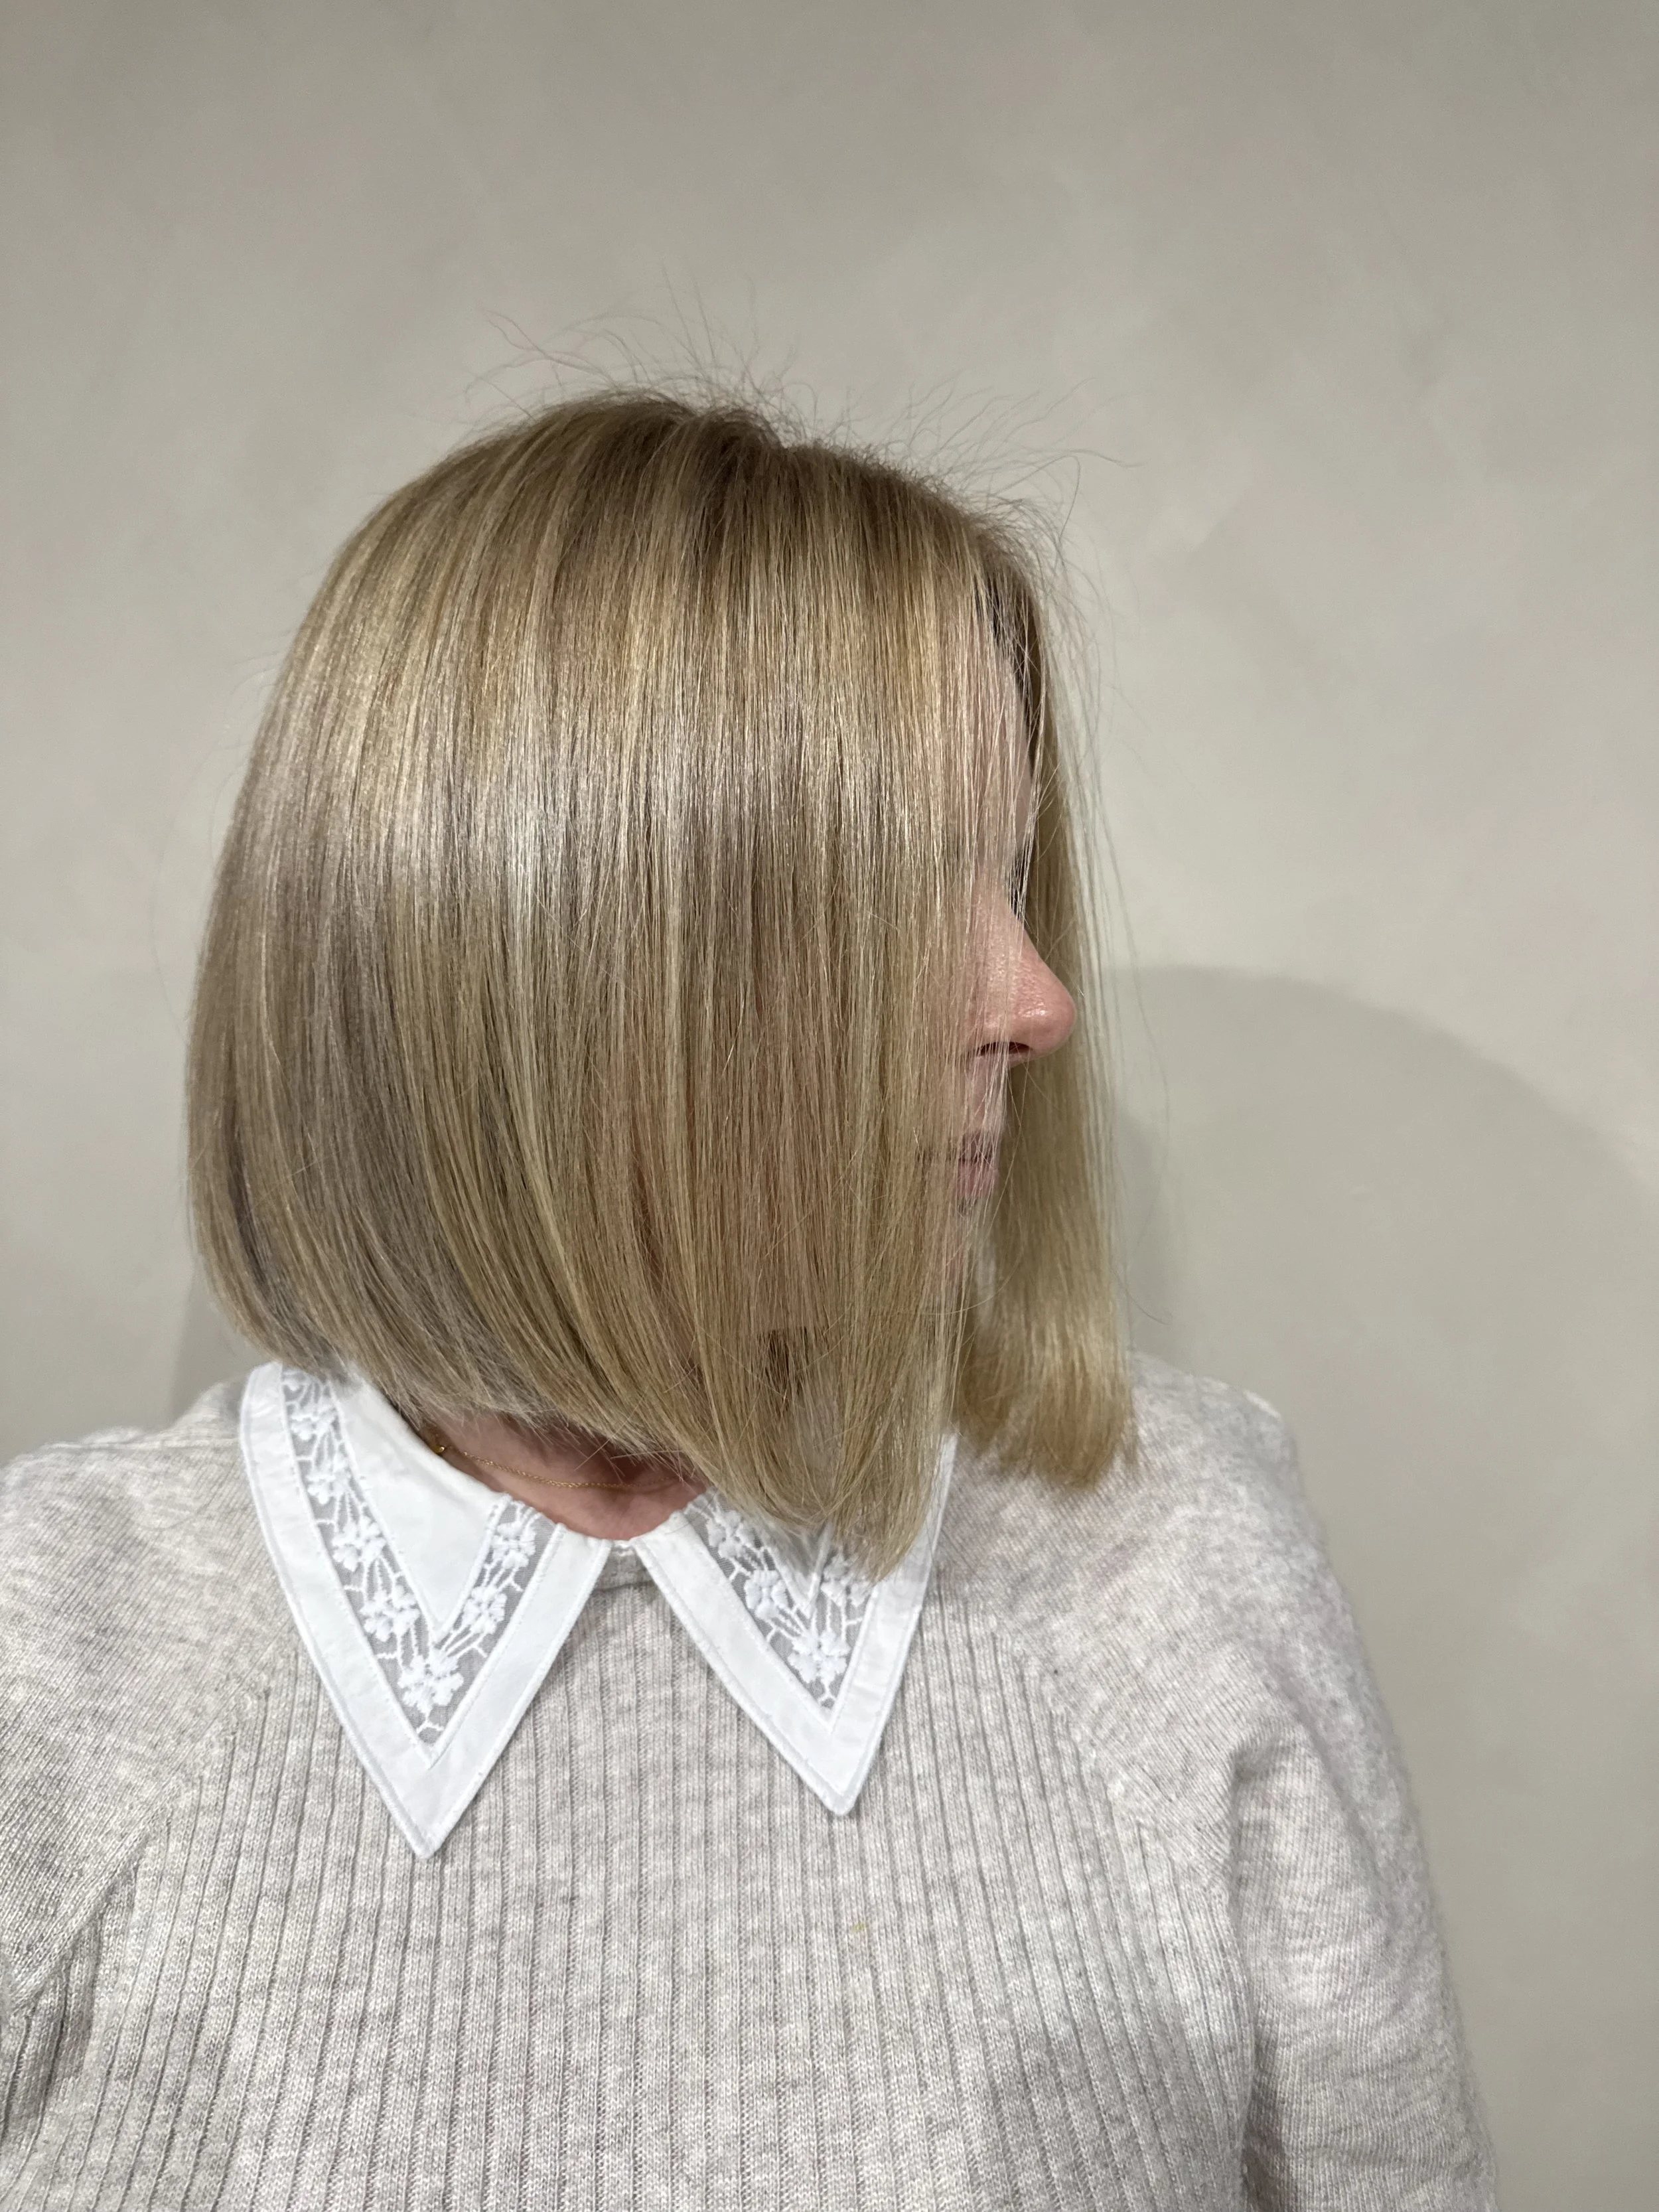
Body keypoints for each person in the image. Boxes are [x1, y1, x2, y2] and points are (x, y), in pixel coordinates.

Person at [0, 386, 1498, 2209]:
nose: (1032, 998)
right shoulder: (51, 1659)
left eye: (1007, 869)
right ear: (540, 945)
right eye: (890, 889)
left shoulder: (1171, 1558)